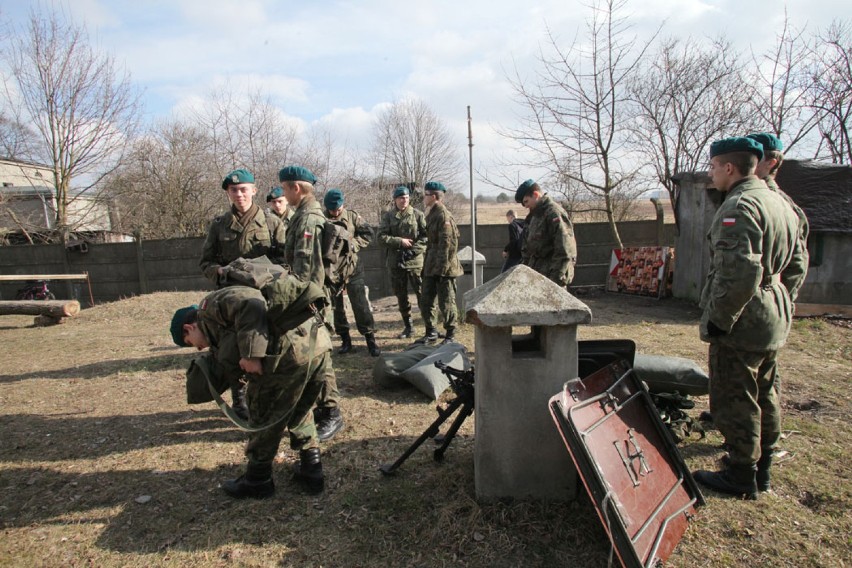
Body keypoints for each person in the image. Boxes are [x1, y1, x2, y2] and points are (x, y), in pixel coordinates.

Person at [692, 137, 808, 499]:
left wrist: (720, 319)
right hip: (772, 313)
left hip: (744, 319)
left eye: (713, 168)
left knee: (735, 394)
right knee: (765, 391)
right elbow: (798, 264)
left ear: (729, 167)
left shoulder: (740, 206)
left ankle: (741, 474)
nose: (710, 174)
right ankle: (763, 468)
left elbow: (738, 271)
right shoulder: (780, 202)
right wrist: (780, 301)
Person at [169, 285, 330, 499]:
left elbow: (250, 303)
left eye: (192, 344)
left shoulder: (210, 307)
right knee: (300, 407)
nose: (199, 349)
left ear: (188, 328)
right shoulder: (216, 322)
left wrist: (251, 354)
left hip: (291, 353)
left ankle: (258, 479)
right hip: (315, 345)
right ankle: (312, 469)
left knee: (263, 414)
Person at [199, 168, 286, 419]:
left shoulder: (271, 222)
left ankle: (267, 394)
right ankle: (239, 396)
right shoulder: (218, 225)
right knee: (232, 348)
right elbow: (205, 264)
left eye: (244, 189)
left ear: (254, 191)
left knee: (267, 344)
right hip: (232, 298)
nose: (239, 194)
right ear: (228, 193)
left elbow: (287, 260)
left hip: (265, 294)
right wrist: (221, 271)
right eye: (234, 190)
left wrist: (270, 276)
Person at [278, 165, 344, 442]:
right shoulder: (304, 215)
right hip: (309, 298)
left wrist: (294, 301)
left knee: (320, 358)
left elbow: (304, 271)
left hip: (310, 301)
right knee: (315, 358)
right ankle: (321, 408)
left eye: (284, 188)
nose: (283, 193)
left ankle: (331, 413)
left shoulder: (308, 219)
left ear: (296, 188)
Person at [323, 188, 381, 357]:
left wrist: (354, 244)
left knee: (361, 305)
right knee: (336, 308)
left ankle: (370, 340)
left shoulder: (352, 216)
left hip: (352, 269)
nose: (336, 212)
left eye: (338, 209)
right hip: (332, 271)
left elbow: (368, 234)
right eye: (333, 210)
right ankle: (345, 340)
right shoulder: (321, 219)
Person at [377, 185, 429, 339]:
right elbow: (380, 237)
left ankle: (429, 327)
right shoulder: (388, 217)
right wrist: (400, 241)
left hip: (415, 262)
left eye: (406, 198)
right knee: (401, 295)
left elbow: (426, 237)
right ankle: (409, 327)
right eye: (401, 198)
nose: (404, 201)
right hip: (396, 262)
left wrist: (414, 250)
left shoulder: (418, 215)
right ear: (395, 200)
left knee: (422, 295)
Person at [419, 181, 464, 344]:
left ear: (434, 196)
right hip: (431, 265)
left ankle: (451, 334)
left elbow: (449, 245)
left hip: (444, 268)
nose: (424, 197)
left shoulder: (443, 215)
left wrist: (441, 269)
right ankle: (431, 331)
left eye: (426, 194)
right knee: (426, 300)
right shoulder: (432, 213)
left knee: (446, 302)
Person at [515, 179, 577, 287]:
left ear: (535, 194)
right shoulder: (534, 216)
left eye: (526, 201)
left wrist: (556, 280)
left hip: (551, 278)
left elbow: (565, 249)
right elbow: (528, 249)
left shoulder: (553, 213)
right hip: (536, 276)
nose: (525, 206)